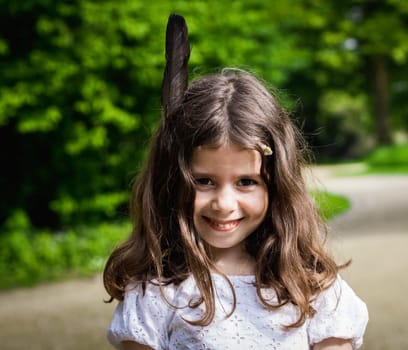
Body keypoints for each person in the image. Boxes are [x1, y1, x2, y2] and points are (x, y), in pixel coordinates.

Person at [103, 14, 368, 350]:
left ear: (277, 185)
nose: (224, 204)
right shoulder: (157, 294)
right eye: (203, 181)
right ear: (171, 181)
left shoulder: (312, 288)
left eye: (246, 182)